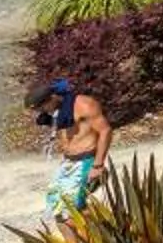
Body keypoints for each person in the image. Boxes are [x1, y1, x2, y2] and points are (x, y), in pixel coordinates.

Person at [28, 79, 113, 227]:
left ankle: (101, 237)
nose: (43, 112)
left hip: (86, 161)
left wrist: (98, 165)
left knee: (71, 210)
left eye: (42, 108)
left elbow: (105, 131)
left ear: (52, 98)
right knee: (57, 208)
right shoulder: (60, 112)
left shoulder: (85, 105)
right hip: (68, 163)